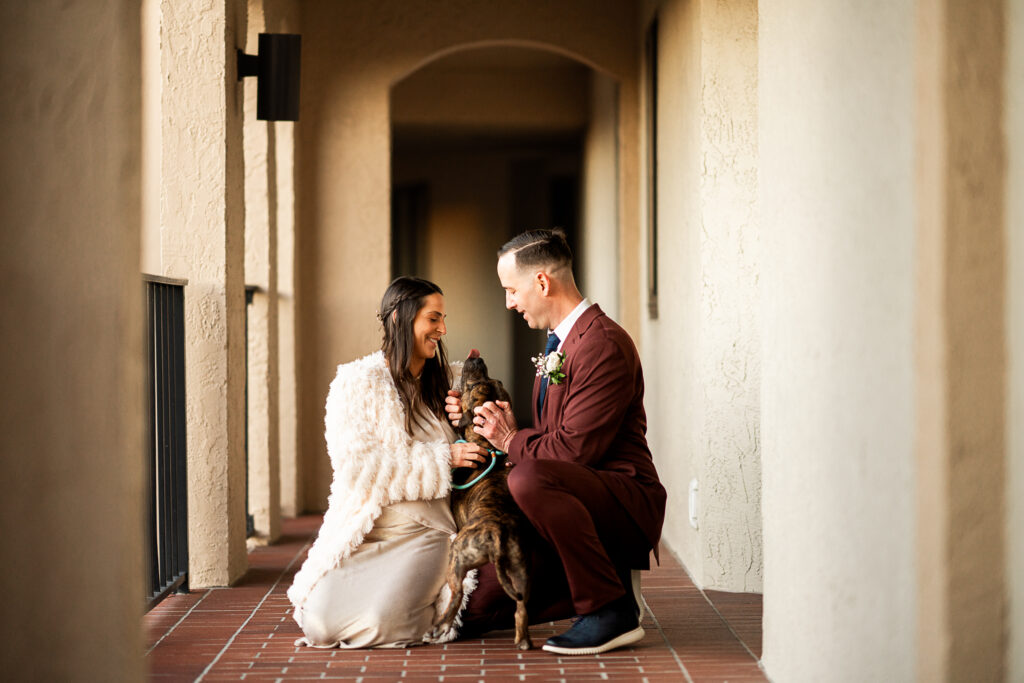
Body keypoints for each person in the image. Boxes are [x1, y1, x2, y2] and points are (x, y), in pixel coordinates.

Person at [445, 229, 667, 655]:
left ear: (542, 283)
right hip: (575, 496)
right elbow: (557, 440)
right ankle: (605, 579)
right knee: (473, 608)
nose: (509, 302)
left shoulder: (601, 344)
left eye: (512, 290)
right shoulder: (561, 344)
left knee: (526, 479)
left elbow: (573, 454)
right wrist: (505, 428)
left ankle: (610, 609)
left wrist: (512, 440)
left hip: (622, 498)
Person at [287, 276, 487, 649]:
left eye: (444, 319)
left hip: (429, 530)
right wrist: (444, 458)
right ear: (400, 317)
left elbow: (489, 443)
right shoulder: (356, 383)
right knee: (319, 625)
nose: (443, 329)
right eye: (433, 318)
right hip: (370, 530)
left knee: (384, 624)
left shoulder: (451, 384)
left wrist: (466, 420)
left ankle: (450, 611)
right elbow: (360, 467)